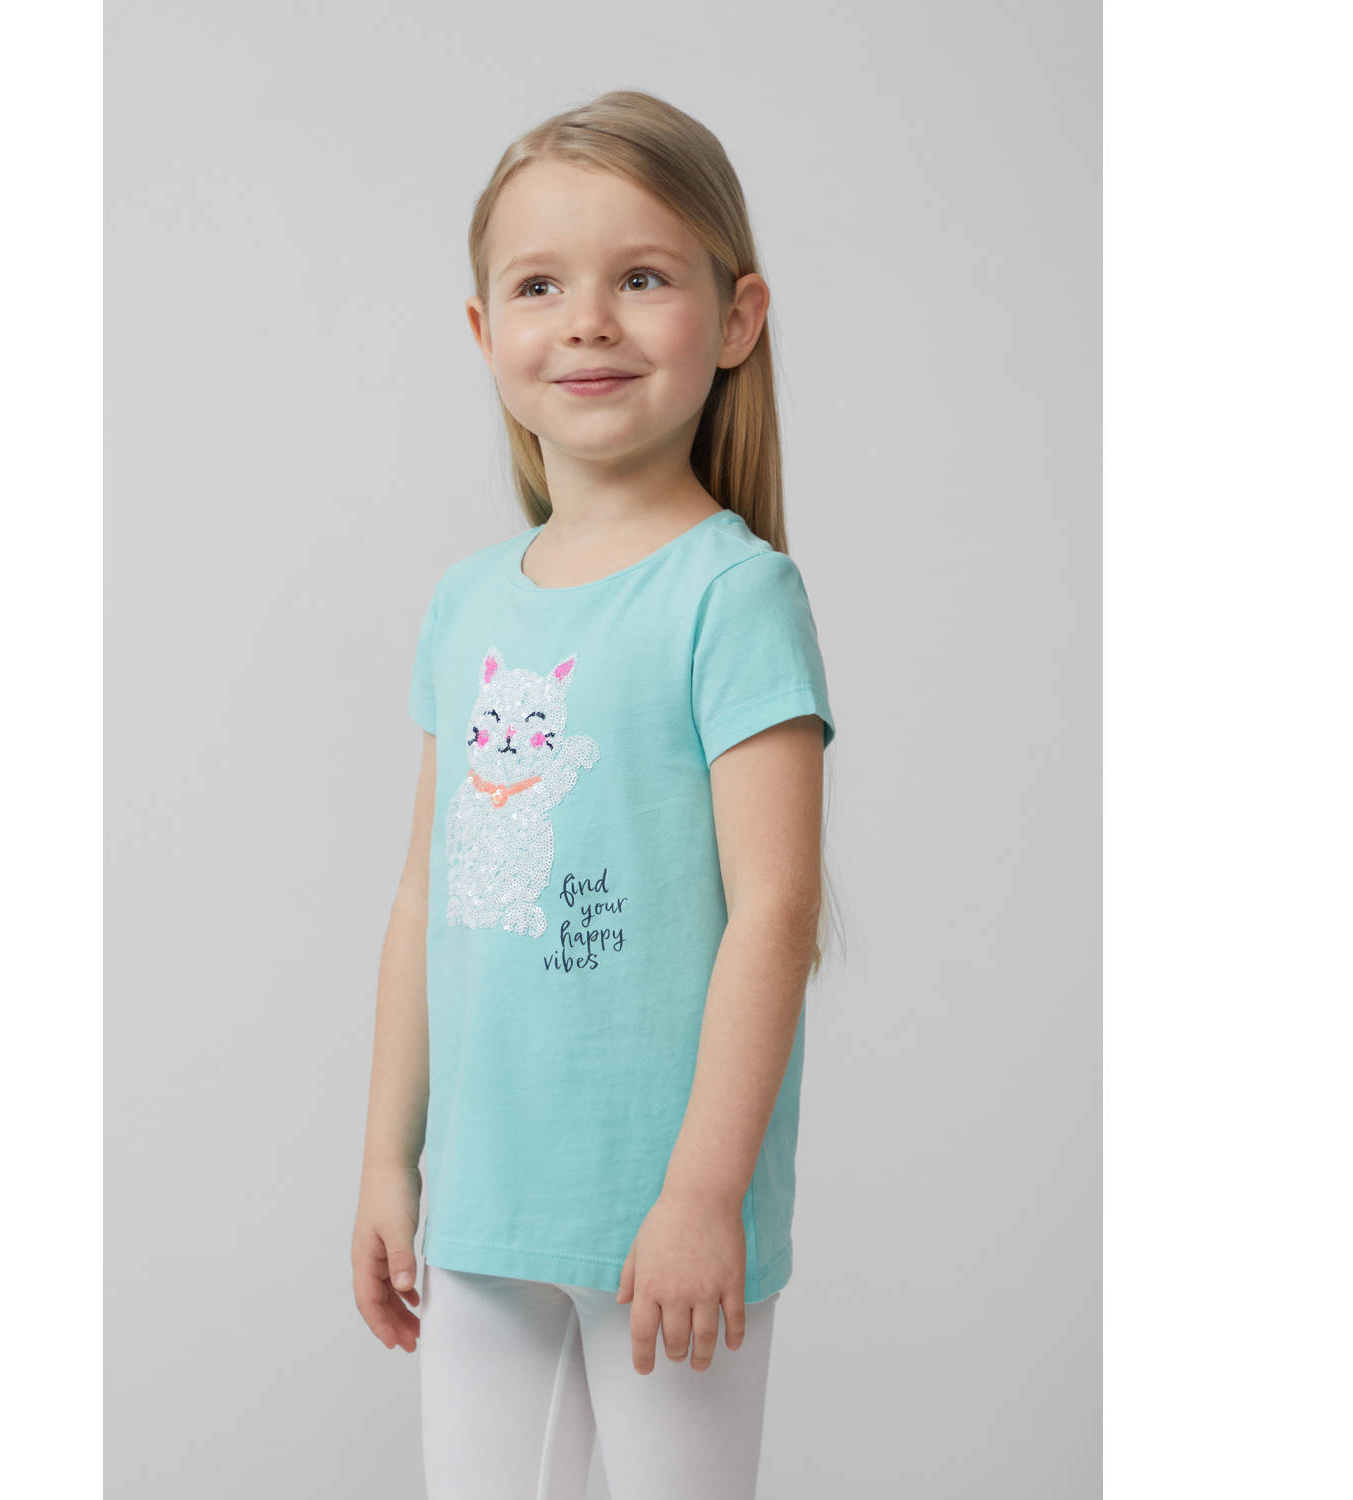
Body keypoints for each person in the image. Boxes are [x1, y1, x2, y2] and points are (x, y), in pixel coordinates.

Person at [351, 88, 839, 1500]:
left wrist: (703, 1195)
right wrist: (388, 1159)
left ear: (737, 318)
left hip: (664, 1219)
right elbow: (424, 899)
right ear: (482, 329)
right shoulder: (466, 605)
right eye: (539, 286)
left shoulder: (733, 596)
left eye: (641, 278)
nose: (586, 323)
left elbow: (774, 914)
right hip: (481, 1206)